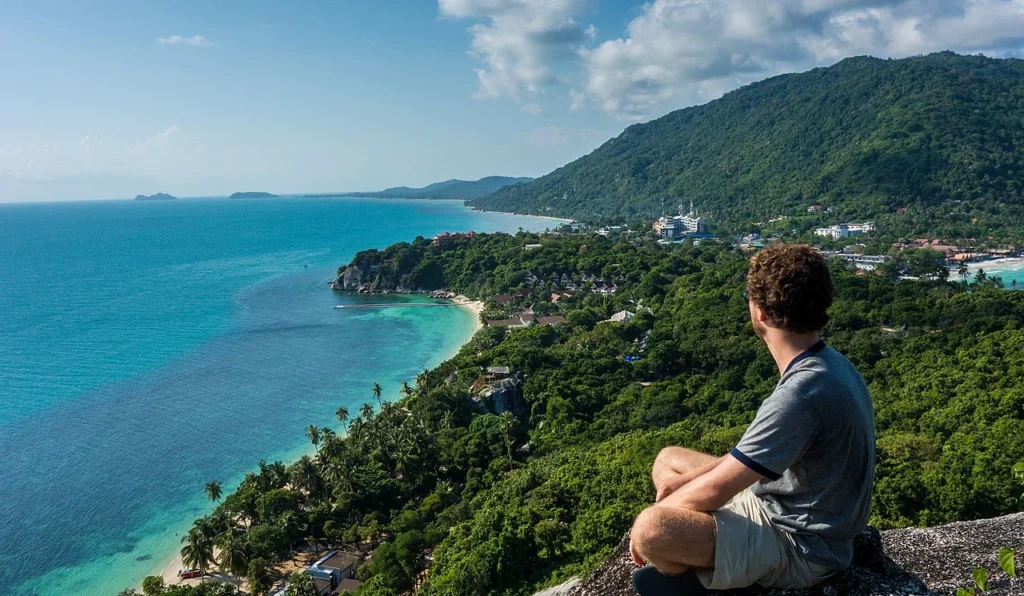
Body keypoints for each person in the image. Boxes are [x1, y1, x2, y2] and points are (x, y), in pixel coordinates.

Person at [630, 243, 875, 595]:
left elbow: (717, 488)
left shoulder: (802, 392)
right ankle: (713, 554)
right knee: (669, 459)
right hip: (781, 504)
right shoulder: (831, 364)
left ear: (759, 311)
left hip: (800, 546)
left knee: (651, 530)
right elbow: (742, 461)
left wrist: (656, 519)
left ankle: (719, 578)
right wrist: (684, 486)